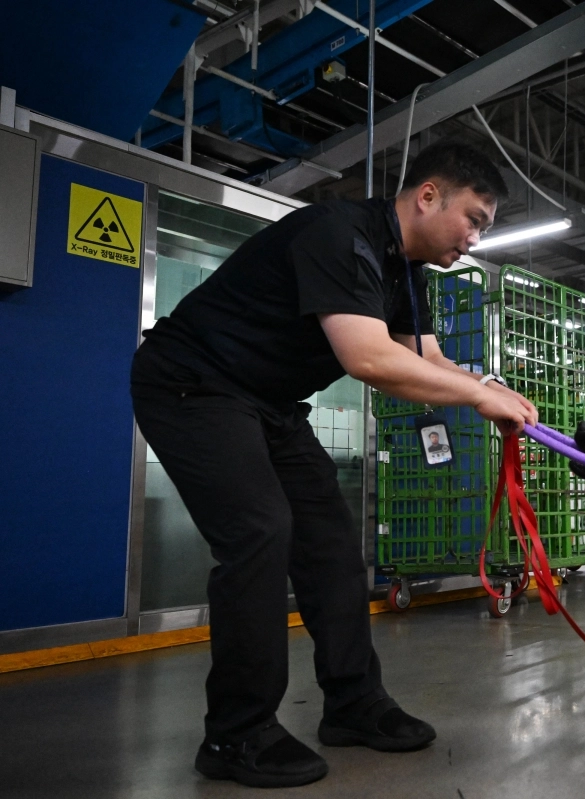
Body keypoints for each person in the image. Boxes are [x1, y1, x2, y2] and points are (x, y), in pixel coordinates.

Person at [130, 141, 538, 788]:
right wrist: (478, 398)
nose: (474, 238)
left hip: (269, 403)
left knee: (332, 546)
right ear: (428, 196)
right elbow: (368, 359)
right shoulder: (339, 233)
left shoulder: (406, 271)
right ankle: (237, 733)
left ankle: (353, 704)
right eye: (474, 219)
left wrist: (492, 387)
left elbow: (427, 358)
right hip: (193, 381)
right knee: (260, 531)